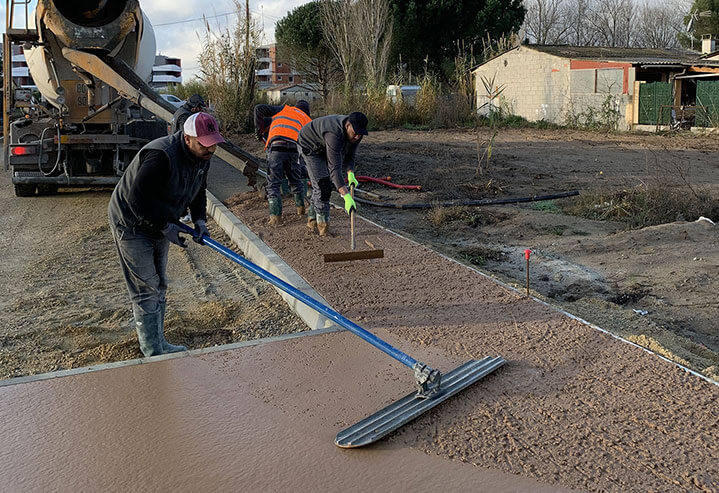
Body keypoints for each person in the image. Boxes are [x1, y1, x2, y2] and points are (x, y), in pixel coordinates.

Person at [108, 112, 225, 357]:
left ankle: (159, 343)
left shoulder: (203, 155)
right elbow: (136, 200)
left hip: (160, 217)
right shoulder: (160, 156)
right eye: (205, 144)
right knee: (146, 287)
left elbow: (198, 189)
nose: (211, 149)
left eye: (213, 142)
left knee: (160, 283)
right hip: (131, 222)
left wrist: (200, 220)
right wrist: (166, 227)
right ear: (187, 138)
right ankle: (152, 351)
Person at [297, 112, 367, 236]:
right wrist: (346, 196)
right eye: (355, 133)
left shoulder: (357, 134)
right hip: (309, 145)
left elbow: (350, 156)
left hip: (323, 145)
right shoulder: (334, 134)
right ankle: (323, 229)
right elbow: (334, 170)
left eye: (360, 134)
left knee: (322, 185)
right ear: (348, 125)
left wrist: (351, 173)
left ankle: (312, 220)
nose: (357, 137)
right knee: (323, 186)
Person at [254, 100, 311, 226]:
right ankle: (300, 210)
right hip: (294, 149)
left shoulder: (284, 109)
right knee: (296, 180)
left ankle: (275, 219)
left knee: (273, 183)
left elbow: (259, 108)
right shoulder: (306, 119)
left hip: (276, 147)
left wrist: (258, 131)